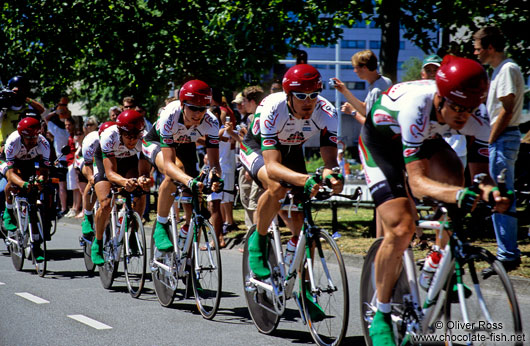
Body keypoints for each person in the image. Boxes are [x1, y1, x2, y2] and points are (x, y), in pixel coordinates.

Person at [360, 56, 512, 346]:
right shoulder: (417, 106)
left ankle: (433, 266)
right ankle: (379, 313)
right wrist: (457, 194)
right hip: (381, 145)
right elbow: (417, 184)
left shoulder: (477, 114)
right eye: (456, 107)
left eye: (469, 108)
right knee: (402, 227)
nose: (463, 115)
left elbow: (480, 176)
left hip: (425, 139)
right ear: (440, 98)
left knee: (458, 181)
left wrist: (492, 192)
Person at [240, 64, 343, 319]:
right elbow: (273, 167)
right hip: (257, 150)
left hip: (292, 151)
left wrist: (333, 174)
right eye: (301, 95)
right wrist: (306, 179)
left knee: (302, 223)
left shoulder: (326, 111)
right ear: (288, 95)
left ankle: (304, 290)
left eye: (313, 95)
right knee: (276, 186)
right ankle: (258, 243)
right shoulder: (272, 108)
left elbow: (330, 161)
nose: (308, 102)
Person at [142, 80, 222, 252]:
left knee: (196, 197)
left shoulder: (212, 122)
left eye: (203, 109)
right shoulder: (169, 115)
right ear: (182, 104)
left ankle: (188, 247)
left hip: (185, 146)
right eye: (193, 108)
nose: (198, 114)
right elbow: (170, 164)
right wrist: (188, 180)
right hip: (156, 143)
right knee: (175, 172)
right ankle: (161, 226)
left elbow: (215, 164)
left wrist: (215, 178)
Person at [473, 26, 525, 276]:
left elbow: (507, 107)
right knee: (500, 195)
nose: (475, 52)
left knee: (502, 196)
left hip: (502, 138)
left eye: (477, 47)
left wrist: (491, 139)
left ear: (490, 47)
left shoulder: (506, 69)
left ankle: (507, 255)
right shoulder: (499, 70)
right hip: (501, 137)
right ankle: (507, 252)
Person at [91, 110, 151, 265]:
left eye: (135, 136)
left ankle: (133, 234)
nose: (132, 140)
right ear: (120, 132)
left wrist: (142, 179)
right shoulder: (109, 136)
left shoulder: (144, 137)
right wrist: (125, 182)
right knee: (105, 202)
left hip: (128, 161)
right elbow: (110, 174)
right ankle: (97, 242)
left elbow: (144, 170)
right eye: (128, 136)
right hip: (106, 162)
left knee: (141, 191)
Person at [1, 117, 52, 261]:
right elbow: (11, 174)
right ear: (21, 135)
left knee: (33, 199)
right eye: (28, 138)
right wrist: (22, 184)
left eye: (34, 137)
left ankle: (36, 245)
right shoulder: (13, 141)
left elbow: (44, 170)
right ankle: (9, 212)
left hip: (29, 161)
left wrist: (41, 180)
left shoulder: (43, 144)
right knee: (12, 184)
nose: (31, 141)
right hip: (9, 162)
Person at [331, 49, 392, 125]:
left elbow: (371, 125)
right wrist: (344, 90)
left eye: (356, 67)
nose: (354, 71)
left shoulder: (376, 91)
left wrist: (352, 112)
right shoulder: (385, 81)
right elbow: (365, 109)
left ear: (364, 67)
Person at [79, 121, 115, 237]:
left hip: (109, 158)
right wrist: (91, 178)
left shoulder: (116, 139)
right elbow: (88, 166)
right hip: (91, 161)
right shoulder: (91, 140)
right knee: (94, 179)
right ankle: (87, 216)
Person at [238, 86, 265, 229]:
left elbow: (258, 146)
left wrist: (250, 168)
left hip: (259, 165)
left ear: (252, 101)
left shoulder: (258, 117)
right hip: (256, 164)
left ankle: (257, 242)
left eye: (245, 101)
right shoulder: (251, 118)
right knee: (252, 201)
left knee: (256, 203)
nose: (243, 105)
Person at [0, 75, 45, 145]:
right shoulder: (4, 109)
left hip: (24, 147)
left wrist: (24, 97)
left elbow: (41, 110)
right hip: (6, 146)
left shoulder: (28, 108)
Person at [44, 104, 72, 217]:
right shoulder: (68, 131)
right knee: (67, 186)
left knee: (62, 186)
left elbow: (46, 118)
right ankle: (65, 207)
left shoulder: (57, 130)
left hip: (64, 160)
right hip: (67, 160)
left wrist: (56, 112)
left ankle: (64, 208)